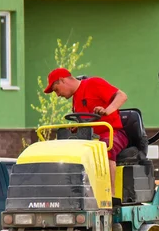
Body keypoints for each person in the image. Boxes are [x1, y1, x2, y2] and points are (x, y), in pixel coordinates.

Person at [43, 68, 128, 196]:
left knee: (104, 148)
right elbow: (86, 120)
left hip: (112, 133)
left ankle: (109, 194)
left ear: (62, 80)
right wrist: (77, 127)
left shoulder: (93, 83)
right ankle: (73, 192)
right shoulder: (75, 99)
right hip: (90, 138)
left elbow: (122, 96)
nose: (57, 95)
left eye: (56, 90)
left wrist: (107, 110)